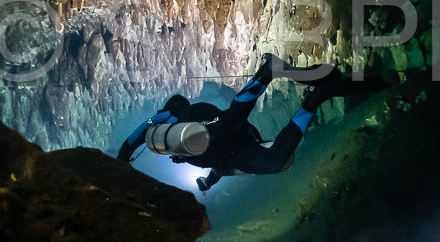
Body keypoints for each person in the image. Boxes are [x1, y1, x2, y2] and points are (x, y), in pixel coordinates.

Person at [116, 53, 389, 192]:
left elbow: (139, 133)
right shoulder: (204, 153)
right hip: (236, 146)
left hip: (220, 133)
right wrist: (208, 184)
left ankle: (267, 73)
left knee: (226, 125)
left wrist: (121, 159)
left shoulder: (172, 114)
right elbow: (219, 165)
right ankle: (314, 99)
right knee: (274, 162)